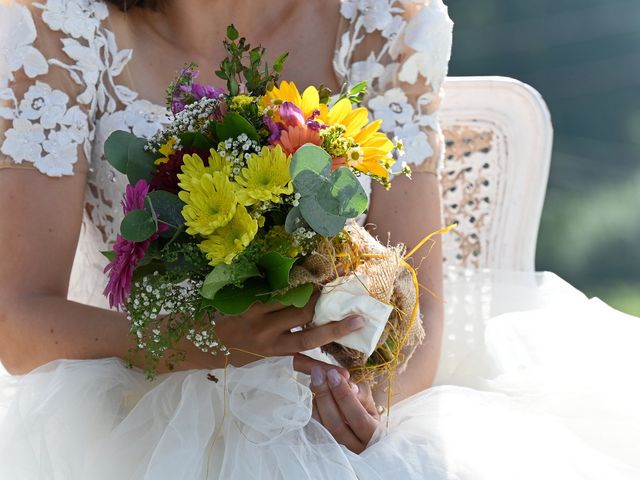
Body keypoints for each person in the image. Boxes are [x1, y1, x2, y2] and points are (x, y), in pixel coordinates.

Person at [0, 0, 638, 478]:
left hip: (330, 405)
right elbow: (18, 321)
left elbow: (422, 302)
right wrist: (211, 344)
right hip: (130, 408)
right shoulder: (54, 33)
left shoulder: (382, 21)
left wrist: (359, 402)